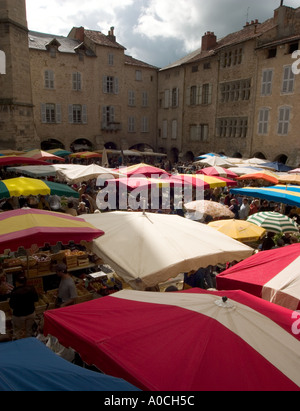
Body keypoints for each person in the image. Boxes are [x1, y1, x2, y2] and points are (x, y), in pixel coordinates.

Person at [9, 275, 39, 339]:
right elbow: (36, 299)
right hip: (31, 313)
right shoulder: (31, 288)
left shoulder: (14, 292)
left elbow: (12, 305)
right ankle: (29, 343)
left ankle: (20, 345)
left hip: (19, 316)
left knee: (18, 333)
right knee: (29, 331)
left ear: (17, 282)